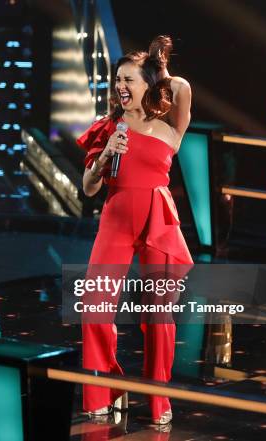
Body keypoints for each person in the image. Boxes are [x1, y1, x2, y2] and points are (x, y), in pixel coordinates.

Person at [77, 36, 193, 425]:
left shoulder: (169, 128)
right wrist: (106, 153)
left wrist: (159, 72)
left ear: (147, 84)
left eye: (129, 80)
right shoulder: (107, 128)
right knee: (94, 308)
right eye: (117, 81)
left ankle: (159, 398)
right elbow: (89, 188)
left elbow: (181, 89)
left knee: (159, 317)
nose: (121, 87)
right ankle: (104, 386)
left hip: (159, 220)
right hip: (116, 218)